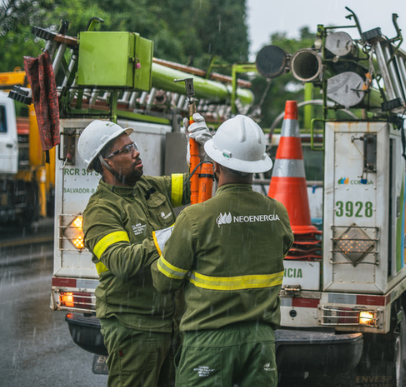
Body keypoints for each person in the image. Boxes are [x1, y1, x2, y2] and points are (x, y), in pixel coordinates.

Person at [151, 115, 294, 387]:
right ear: (256, 166)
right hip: (260, 340)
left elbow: (164, 281)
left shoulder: (195, 218)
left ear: (215, 165)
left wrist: (159, 245)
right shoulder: (277, 213)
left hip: (208, 342)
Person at [79, 115, 211, 387]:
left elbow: (198, 187)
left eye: (133, 145)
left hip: (171, 322)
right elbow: (122, 261)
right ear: (104, 163)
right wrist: (173, 234)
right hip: (133, 327)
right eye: (125, 150)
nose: (136, 152)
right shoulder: (101, 210)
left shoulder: (148, 186)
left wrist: (205, 154)